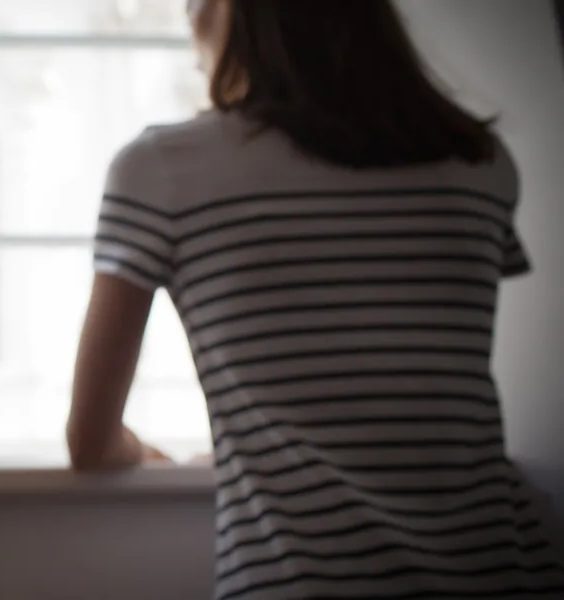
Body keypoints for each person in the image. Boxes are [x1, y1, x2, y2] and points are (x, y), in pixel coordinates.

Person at [64, 0, 564, 598]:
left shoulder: (162, 170)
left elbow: (90, 441)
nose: (187, 16)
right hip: (511, 571)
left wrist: (173, 456)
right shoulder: (480, 163)